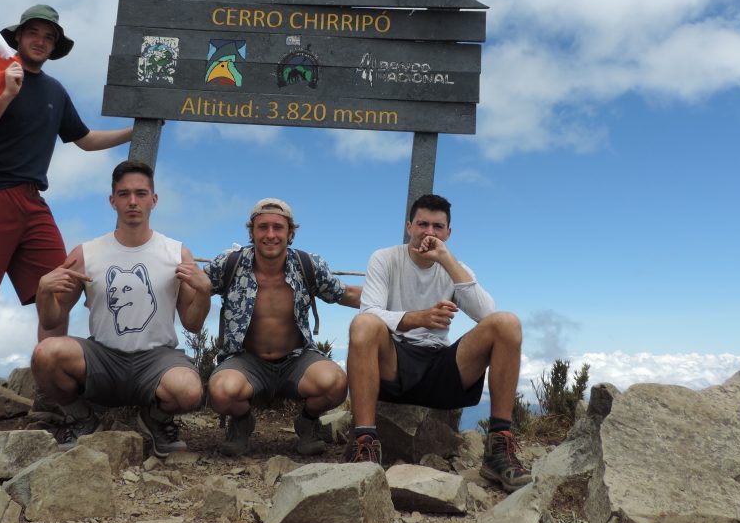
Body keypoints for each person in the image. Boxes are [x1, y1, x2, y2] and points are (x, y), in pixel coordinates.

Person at [0, 5, 133, 438]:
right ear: (19, 36)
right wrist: (6, 93)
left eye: (49, 35)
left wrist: (136, 130)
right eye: (34, 32)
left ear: (54, 45)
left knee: (61, 288)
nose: (41, 40)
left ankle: (47, 397)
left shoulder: (56, 90)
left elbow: (83, 140)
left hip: (33, 199)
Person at [344, 193, 531, 492]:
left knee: (507, 323)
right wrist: (419, 318)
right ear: (409, 226)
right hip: (395, 362)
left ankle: (498, 446)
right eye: (422, 224)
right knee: (364, 324)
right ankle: (364, 443)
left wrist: (446, 260)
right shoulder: (385, 258)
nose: (429, 232)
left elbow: (487, 314)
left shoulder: (456, 267)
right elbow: (369, 311)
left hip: (441, 365)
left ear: (448, 233)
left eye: (437, 226)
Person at [29, 160, 211, 453]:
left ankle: (154, 419)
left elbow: (192, 323)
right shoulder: (85, 254)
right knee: (45, 354)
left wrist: (203, 293)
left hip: (156, 359)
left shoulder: (176, 253)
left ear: (154, 199)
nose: (133, 202)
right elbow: (52, 320)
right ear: (112, 201)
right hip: (103, 357)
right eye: (124, 194)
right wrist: (43, 293)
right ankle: (82, 419)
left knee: (189, 391)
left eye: (140, 193)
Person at [192, 199, 361, 457]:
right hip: (245, 360)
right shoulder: (230, 264)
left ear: (290, 232)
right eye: (263, 227)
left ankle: (307, 421)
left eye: (278, 227)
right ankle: (242, 422)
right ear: (252, 232)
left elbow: (345, 293)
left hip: (297, 359)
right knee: (220, 391)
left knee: (335, 384)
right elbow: (195, 287)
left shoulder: (308, 265)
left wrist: (396, 302)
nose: (270, 234)